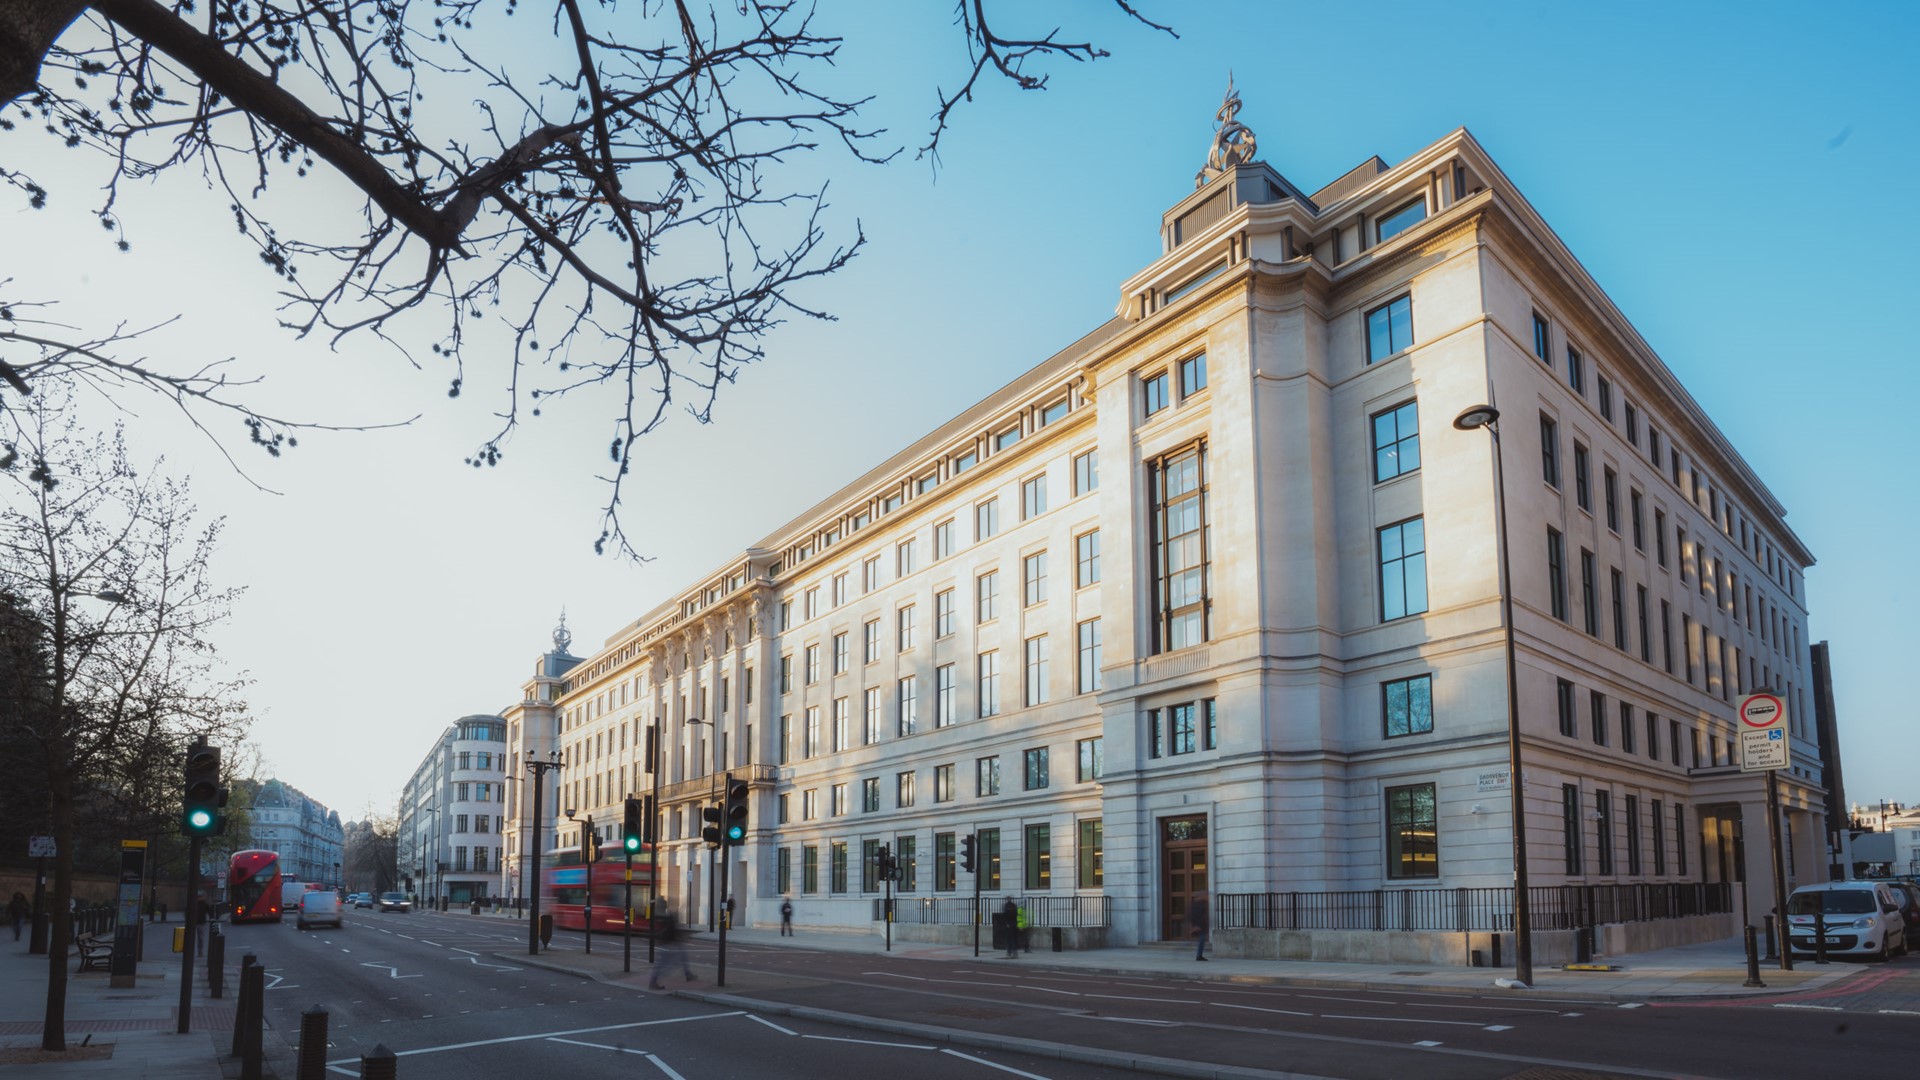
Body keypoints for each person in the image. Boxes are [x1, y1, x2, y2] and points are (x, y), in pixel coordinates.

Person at [648, 909, 695, 989]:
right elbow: (674, 933)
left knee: (681, 957)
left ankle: (688, 974)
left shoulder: (666, 921)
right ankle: (653, 981)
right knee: (667, 964)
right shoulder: (671, 922)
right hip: (670, 945)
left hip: (669, 944)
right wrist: (682, 938)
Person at [1191, 890, 1211, 961]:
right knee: (1201, 940)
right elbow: (1194, 916)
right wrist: (1196, 926)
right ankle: (1199, 956)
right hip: (1199, 926)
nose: (1207, 896)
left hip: (1201, 926)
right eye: (1205, 895)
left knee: (1201, 941)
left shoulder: (1202, 903)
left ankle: (1199, 955)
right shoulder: (1196, 905)